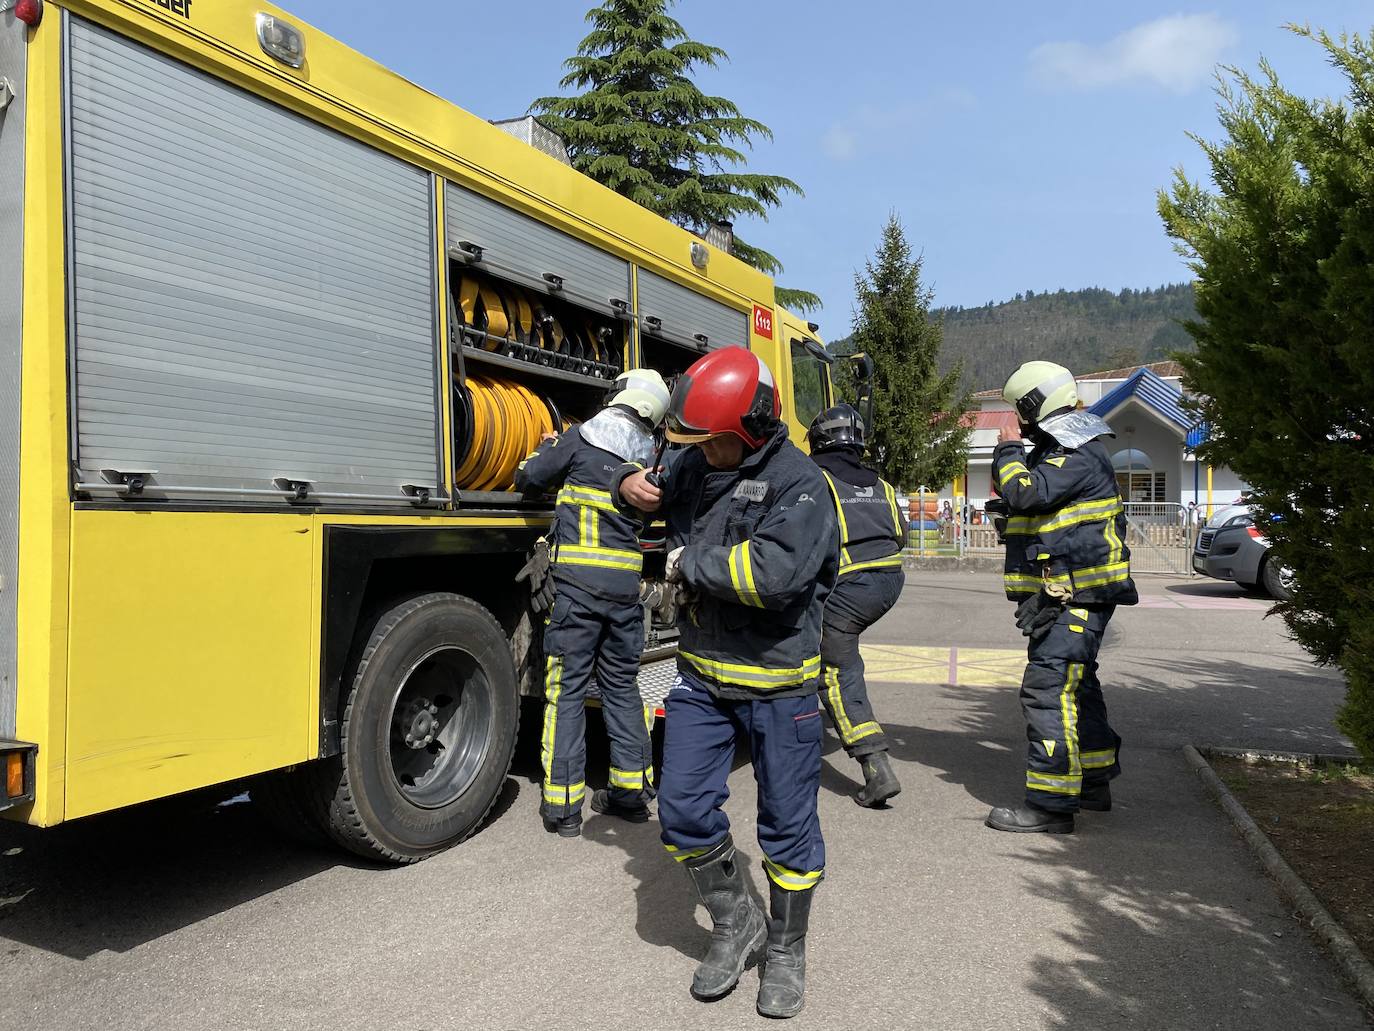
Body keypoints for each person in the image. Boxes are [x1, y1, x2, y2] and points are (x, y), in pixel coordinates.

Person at [617, 348, 837, 1019]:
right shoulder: (698, 459)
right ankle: (737, 921)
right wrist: (629, 486)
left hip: (781, 687)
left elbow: (772, 577)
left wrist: (691, 562)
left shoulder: (801, 486)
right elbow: (652, 490)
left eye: (709, 441)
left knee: (787, 830)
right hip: (702, 680)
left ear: (751, 430)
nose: (698, 453)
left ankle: (788, 949)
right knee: (680, 808)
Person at [514, 368, 672, 839]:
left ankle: (563, 808)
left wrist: (547, 448)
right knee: (623, 688)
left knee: (565, 692)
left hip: (577, 592)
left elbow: (530, 479)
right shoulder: (649, 461)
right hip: (625, 595)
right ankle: (630, 795)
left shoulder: (582, 438)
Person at [986, 361, 1138, 834]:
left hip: (1073, 597)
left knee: (1048, 690)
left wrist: (1008, 448)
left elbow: (1026, 492)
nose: (1020, 420)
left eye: (1020, 411)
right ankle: (1092, 782)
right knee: (1078, 686)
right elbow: (1043, 512)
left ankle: (1050, 806)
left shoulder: (1072, 452)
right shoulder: (1067, 449)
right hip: (1069, 594)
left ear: (1035, 404)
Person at [806, 404, 907, 807]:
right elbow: (900, 534)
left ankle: (875, 766)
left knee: (836, 671)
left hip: (849, 588)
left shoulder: (818, 480)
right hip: (889, 582)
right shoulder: (880, 484)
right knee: (840, 653)